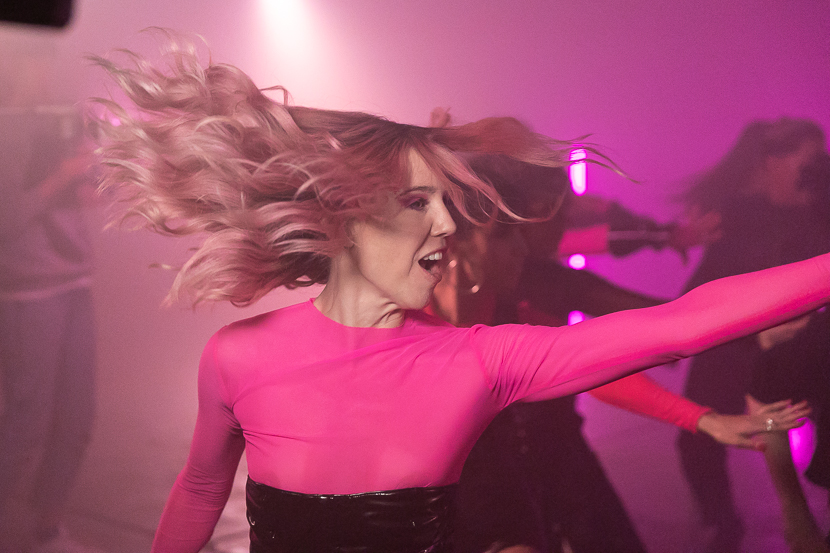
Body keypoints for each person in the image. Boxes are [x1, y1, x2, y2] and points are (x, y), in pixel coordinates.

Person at [92, 42, 830, 553]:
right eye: (419, 202)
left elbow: (683, 323)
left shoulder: (480, 360)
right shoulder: (236, 356)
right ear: (344, 216)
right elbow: (200, 489)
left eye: (447, 203)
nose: (446, 224)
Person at [429, 155, 809, 553]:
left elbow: (598, 359)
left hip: (550, 458)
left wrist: (706, 412)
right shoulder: (413, 318)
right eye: (544, 215)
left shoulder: (530, 291)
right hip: (478, 483)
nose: (559, 226)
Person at [677, 117, 830, 553]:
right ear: (770, 163)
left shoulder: (808, 215)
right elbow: (709, 286)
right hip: (728, 340)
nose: (814, 173)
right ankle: (722, 525)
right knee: (700, 436)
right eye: (807, 162)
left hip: (771, 341)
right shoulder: (739, 214)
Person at [0, 37, 101, 553]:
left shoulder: (56, 121)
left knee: (77, 418)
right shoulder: (6, 130)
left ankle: (47, 528)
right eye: (32, 60)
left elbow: (86, 197)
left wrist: (93, 169)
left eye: (47, 60)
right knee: (26, 423)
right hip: (27, 294)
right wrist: (60, 175)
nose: (43, 72)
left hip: (74, 283)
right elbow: (6, 219)